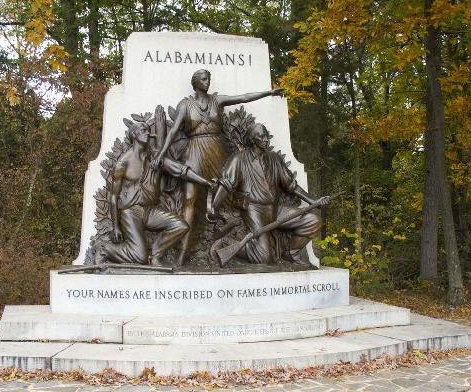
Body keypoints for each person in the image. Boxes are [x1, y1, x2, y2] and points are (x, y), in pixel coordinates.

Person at [151, 69, 284, 265]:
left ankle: (234, 243)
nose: (208, 82)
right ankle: (182, 254)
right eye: (204, 79)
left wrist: (269, 92)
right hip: (195, 152)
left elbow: (244, 97)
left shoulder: (217, 100)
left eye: (209, 79)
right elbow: (173, 133)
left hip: (218, 152)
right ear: (196, 82)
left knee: (226, 194)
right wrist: (161, 155)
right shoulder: (185, 105)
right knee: (190, 200)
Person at [94, 112, 214, 266]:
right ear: (134, 135)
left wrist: (206, 182)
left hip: (150, 211)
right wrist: (115, 227)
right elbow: (113, 196)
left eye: (147, 130)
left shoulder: (155, 157)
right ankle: (104, 249)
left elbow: (181, 170)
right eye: (143, 130)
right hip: (131, 211)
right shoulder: (123, 162)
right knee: (139, 258)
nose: (148, 133)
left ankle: (157, 254)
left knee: (181, 226)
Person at [209, 123, 329, 264]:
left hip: (275, 209)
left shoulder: (275, 159)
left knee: (313, 221)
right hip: (254, 210)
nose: (266, 139)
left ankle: (291, 252)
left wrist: (313, 201)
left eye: (267, 136)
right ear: (253, 139)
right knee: (264, 258)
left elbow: (292, 186)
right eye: (262, 136)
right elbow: (226, 185)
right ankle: (226, 243)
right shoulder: (239, 159)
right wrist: (213, 207)